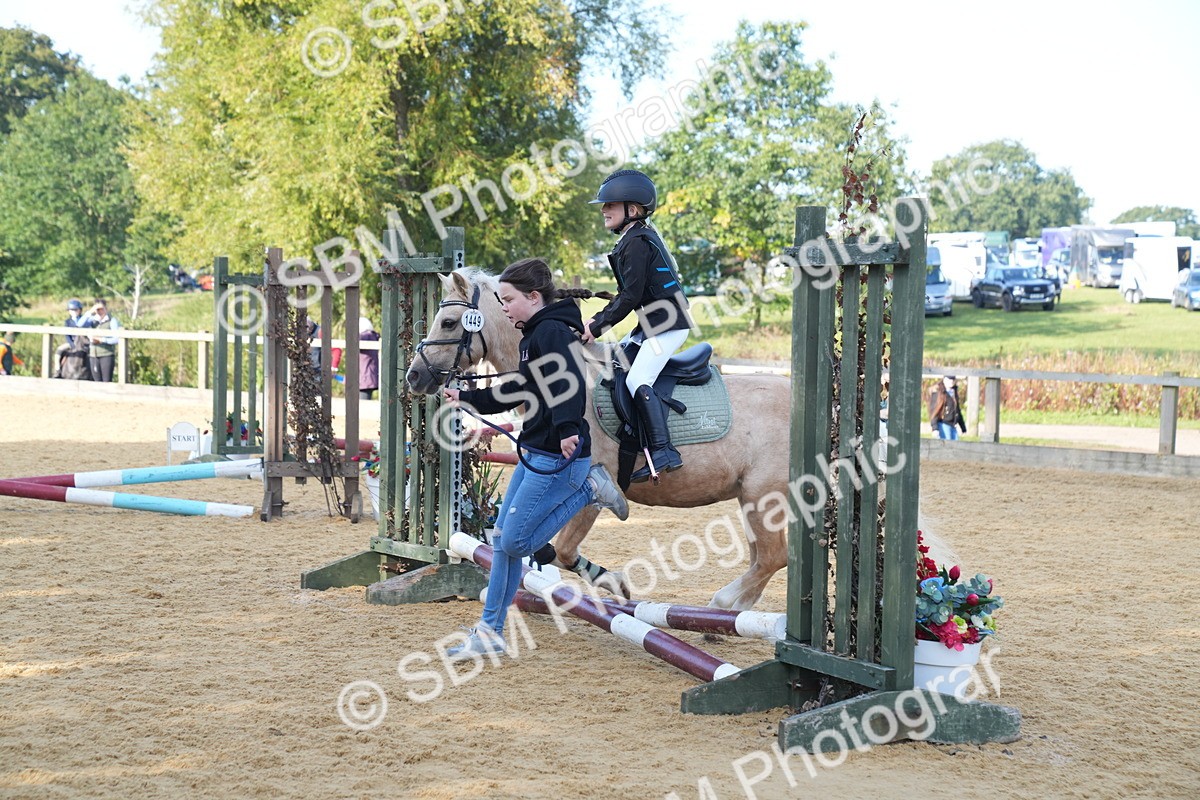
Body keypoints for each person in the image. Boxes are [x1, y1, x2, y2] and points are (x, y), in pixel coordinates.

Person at [441, 257, 628, 659]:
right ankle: (490, 632)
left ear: (533, 297)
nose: (503, 307)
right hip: (536, 451)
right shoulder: (534, 335)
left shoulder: (553, 333)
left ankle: (592, 488)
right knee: (505, 546)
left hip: (559, 456)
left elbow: (570, 384)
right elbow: (520, 388)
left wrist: (567, 430)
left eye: (508, 299)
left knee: (515, 540)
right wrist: (468, 397)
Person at [580, 169, 692, 483]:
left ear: (633, 208)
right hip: (654, 325)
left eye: (610, 205)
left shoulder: (638, 242)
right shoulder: (635, 238)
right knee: (619, 363)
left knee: (637, 378)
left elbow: (629, 296)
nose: (604, 210)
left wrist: (598, 324)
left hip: (669, 325)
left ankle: (663, 449)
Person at [83, 299, 121, 383]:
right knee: (96, 380)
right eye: (97, 309)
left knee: (106, 380)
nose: (99, 311)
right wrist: (90, 311)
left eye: (101, 308)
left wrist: (102, 340)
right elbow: (79, 325)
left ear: (106, 308)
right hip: (93, 355)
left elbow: (117, 338)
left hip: (106, 354)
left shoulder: (112, 320)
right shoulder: (92, 320)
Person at [928, 375, 967, 440]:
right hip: (943, 425)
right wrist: (935, 428)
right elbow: (934, 412)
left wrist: (963, 427)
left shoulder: (954, 392)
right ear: (944, 380)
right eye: (949, 379)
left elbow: (957, 411)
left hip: (953, 426)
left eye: (953, 380)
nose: (951, 381)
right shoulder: (938, 392)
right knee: (946, 447)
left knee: (956, 447)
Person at [358, 316, 380, 400]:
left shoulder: (366, 335)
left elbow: (353, 341)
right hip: (369, 375)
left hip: (365, 376)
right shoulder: (372, 335)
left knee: (363, 405)